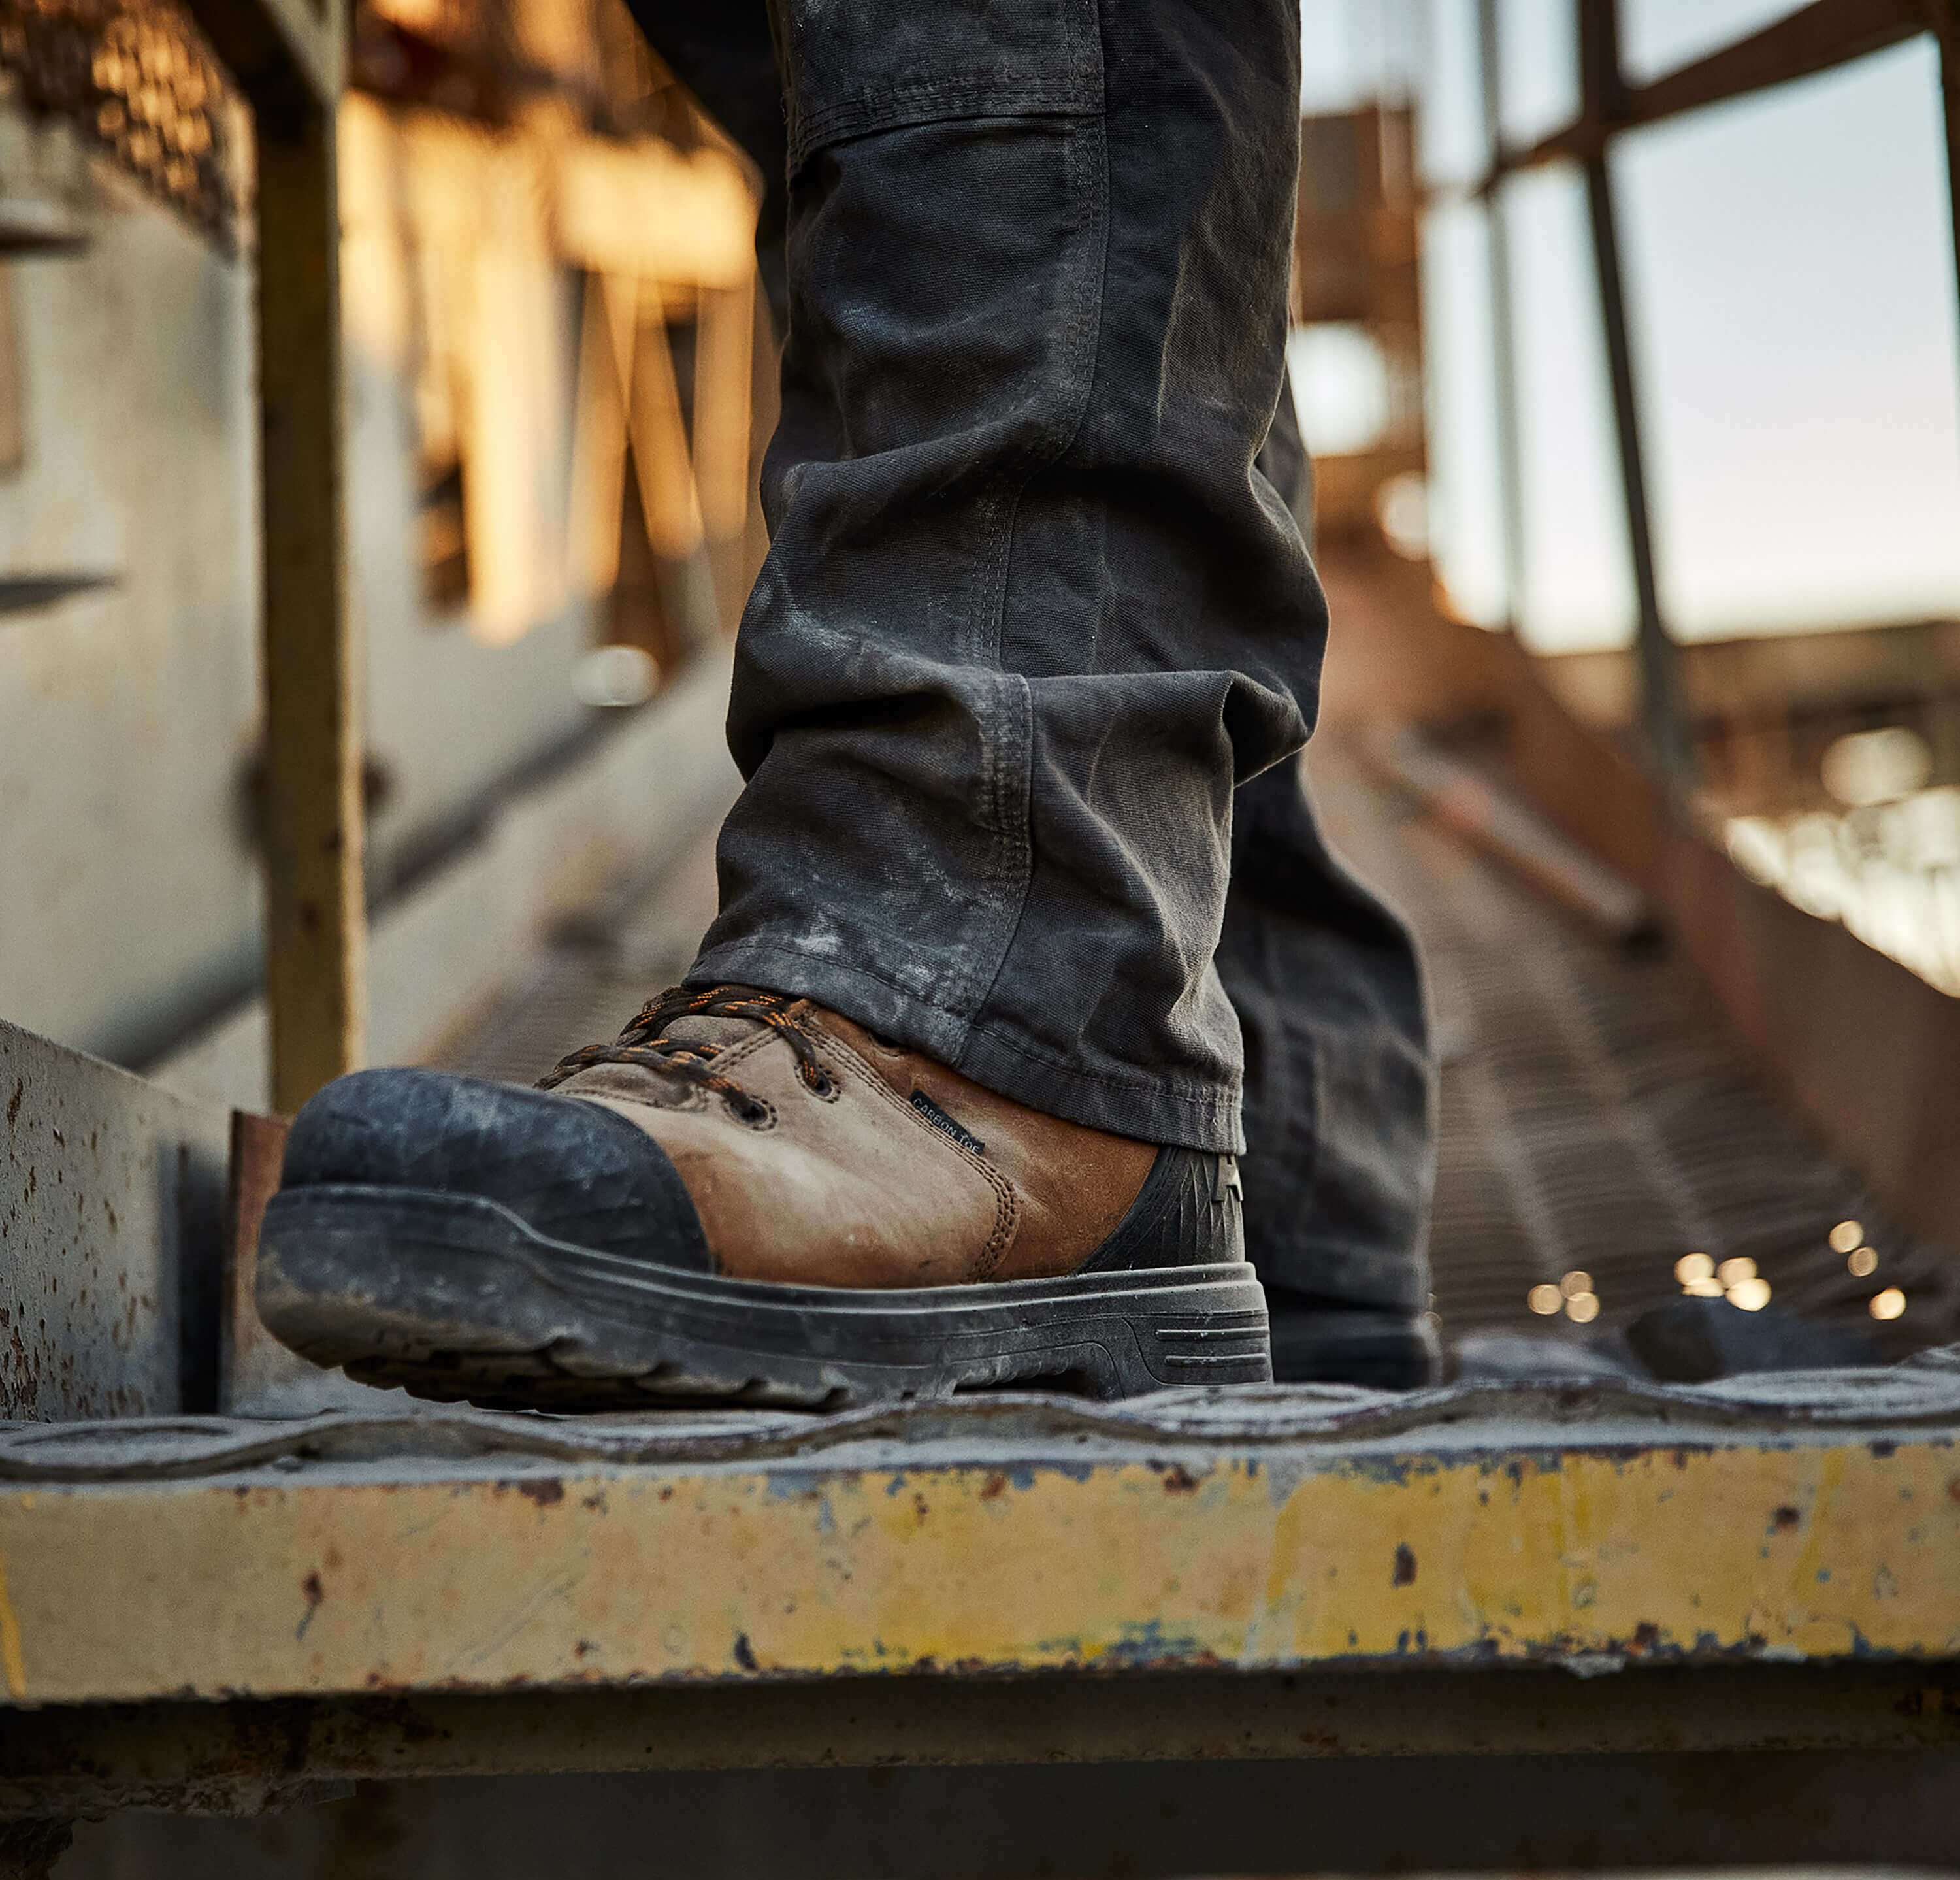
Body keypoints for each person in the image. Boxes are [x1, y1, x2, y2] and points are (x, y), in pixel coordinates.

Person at [255, 0, 1436, 1410]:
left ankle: (994, 1018)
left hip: (1032, 1029)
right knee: (913, 111)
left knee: (994, 53)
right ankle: (1260, 1146)